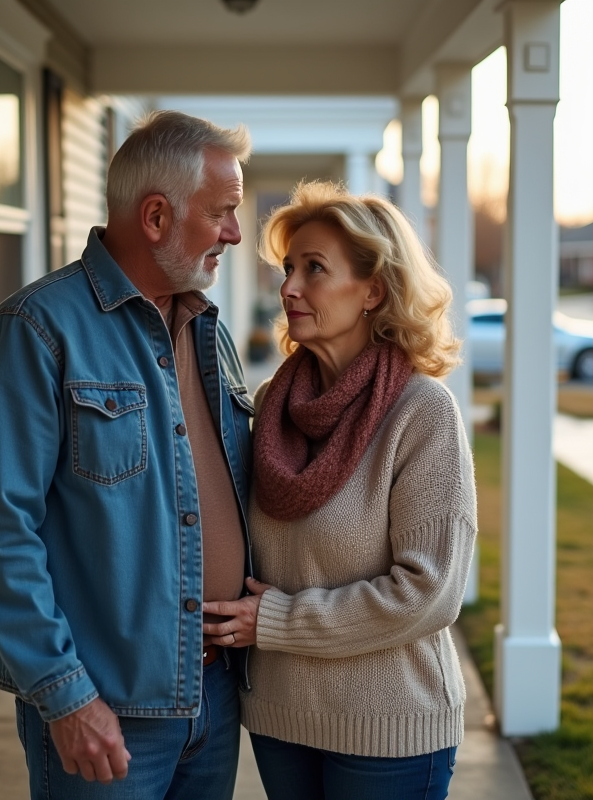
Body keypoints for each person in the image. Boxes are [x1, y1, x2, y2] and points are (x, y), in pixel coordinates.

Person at [0, 110, 255, 800]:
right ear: (156, 217)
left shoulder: (209, 330)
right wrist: (65, 697)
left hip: (213, 695)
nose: (235, 234)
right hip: (107, 712)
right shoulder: (37, 330)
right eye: (223, 213)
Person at [202, 181, 477, 800]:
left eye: (315, 269)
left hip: (389, 728)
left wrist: (275, 621)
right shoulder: (273, 403)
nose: (290, 286)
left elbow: (429, 592)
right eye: (289, 268)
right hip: (281, 717)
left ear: (373, 289)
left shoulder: (421, 413)